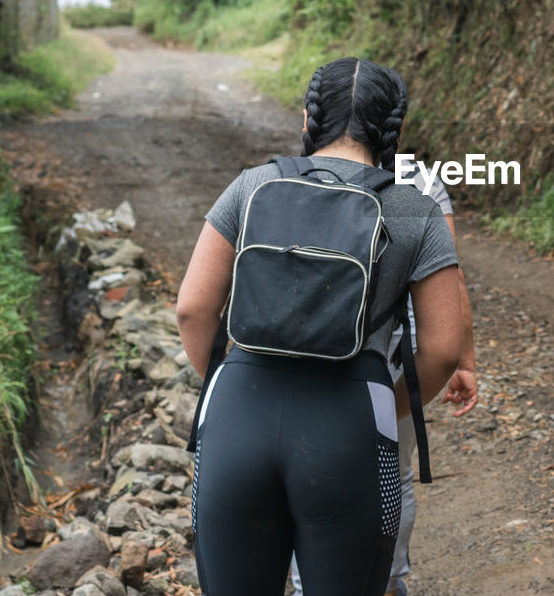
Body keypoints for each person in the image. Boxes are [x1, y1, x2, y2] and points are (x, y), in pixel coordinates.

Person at [176, 58, 465, 596]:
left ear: (308, 119)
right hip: (349, 428)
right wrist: (385, 403)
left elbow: (192, 310)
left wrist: (226, 379)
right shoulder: (412, 209)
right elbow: (445, 348)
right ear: (393, 129)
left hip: (239, 414)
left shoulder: (252, 185)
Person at [289, 156, 479, 596]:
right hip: (398, 356)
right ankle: (387, 585)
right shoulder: (420, 181)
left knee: (310, 469)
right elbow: (450, 279)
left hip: (312, 347)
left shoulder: (296, 173)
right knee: (393, 469)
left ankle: (307, 586)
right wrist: (464, 360)